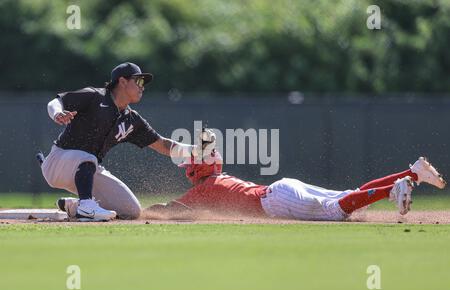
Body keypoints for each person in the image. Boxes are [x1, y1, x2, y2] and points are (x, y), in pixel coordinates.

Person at [40, 62, 215, 221]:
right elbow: (55, 102)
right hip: (58, 162)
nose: (143, 87)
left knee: (131, 210)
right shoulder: (95, 96)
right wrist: (57, 113)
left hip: (87, 170)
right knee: (88, 157)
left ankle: (75, 206)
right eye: (138, 81)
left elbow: (163, 145)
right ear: (122, 81)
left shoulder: (132, 120)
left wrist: (197, 150)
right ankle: (86, 206)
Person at [148, 151, 446, 220]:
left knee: (335, 212)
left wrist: (137, 212)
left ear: (196, 168)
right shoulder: (218, 180)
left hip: (276, 201)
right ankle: (413, 173)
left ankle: (394, 189)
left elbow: (168, 210)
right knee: (349, 195)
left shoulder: (203, 188)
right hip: (282, 188)